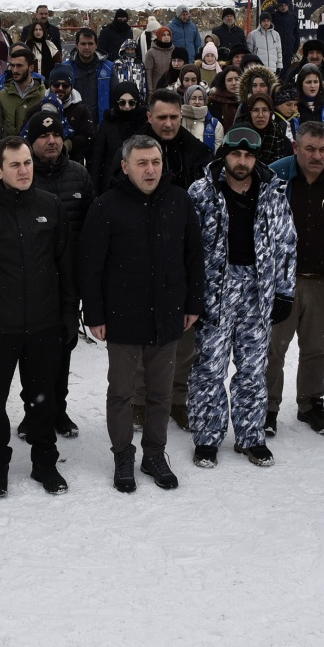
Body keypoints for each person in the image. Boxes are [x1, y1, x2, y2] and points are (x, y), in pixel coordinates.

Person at [0, 137, 78, 497]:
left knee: (42, 398)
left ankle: (44, 462)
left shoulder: (50, 207)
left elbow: (65, 266)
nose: (24, 170)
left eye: (27, 163)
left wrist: (70, 313)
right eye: (15, 165)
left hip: (44, 325)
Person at [81, 135, 202, 492]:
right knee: (121, 392)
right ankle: (123, 455)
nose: (150, 170)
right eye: (142, 163)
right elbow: (91, 266)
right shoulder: (106, 206)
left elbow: (194, 256)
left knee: (160, 393)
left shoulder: (179, 201)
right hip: (122, 314)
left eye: (156, 162)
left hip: (168, 313)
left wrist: (194, 303)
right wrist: (95, 313)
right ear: (125, 166)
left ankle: (154, 453)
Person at [186, 128, 296, 468]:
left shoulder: (273, 193)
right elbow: (188, 249)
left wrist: (284, 292)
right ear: (225, 155)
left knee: (252, 368)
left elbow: (287, 244)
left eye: (249, 156)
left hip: (258, 290)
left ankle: (251, 436)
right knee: (209, 367)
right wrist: (192, 296)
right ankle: (207, 437)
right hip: (216, 290)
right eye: (236, 154)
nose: (242, 161)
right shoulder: (202, 192)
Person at [267, 120, 324, 437]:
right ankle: (267, 407)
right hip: (280, 280)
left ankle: (310, 404)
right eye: (309, 149)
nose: (317, 156)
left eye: (323, 149)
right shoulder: (275, 175)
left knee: (315, 349)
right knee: (272, 348)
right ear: (296, 148)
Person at [27, 111, 95, 437]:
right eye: (43, 136)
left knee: (64, 347)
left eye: (56, 135)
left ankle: (59, 411)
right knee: (34, 352)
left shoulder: (80, 175)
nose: (51, 141)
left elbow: (94, 228)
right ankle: (34, 412)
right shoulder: (23, 176)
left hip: (69, 282)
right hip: (33, 282)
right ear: (31, 140)